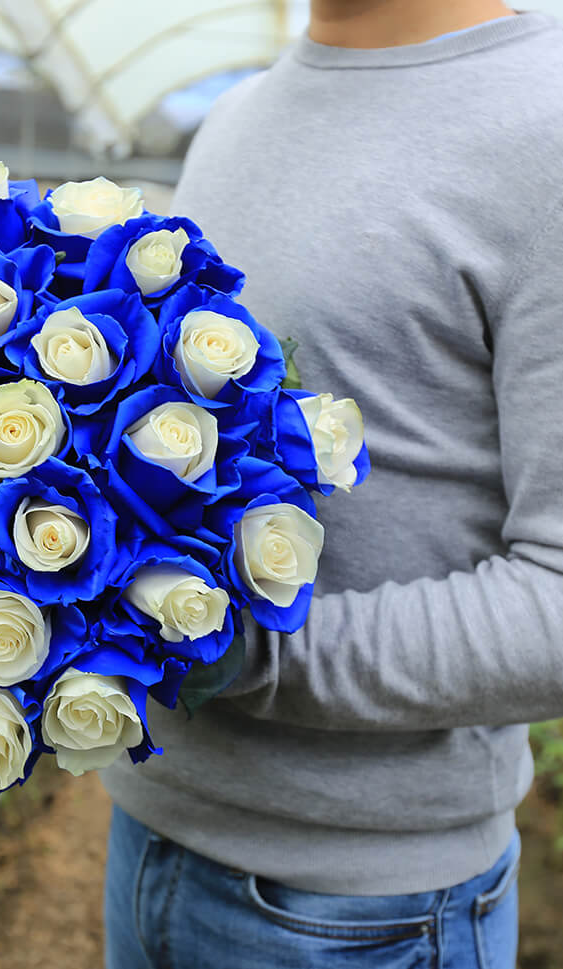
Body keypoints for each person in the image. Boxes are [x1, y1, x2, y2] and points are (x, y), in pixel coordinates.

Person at [100, 2, 563, 966]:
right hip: (148, 840)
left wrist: (250, 652)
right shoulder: (234, 119)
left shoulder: (544, 122)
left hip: (366, 913)